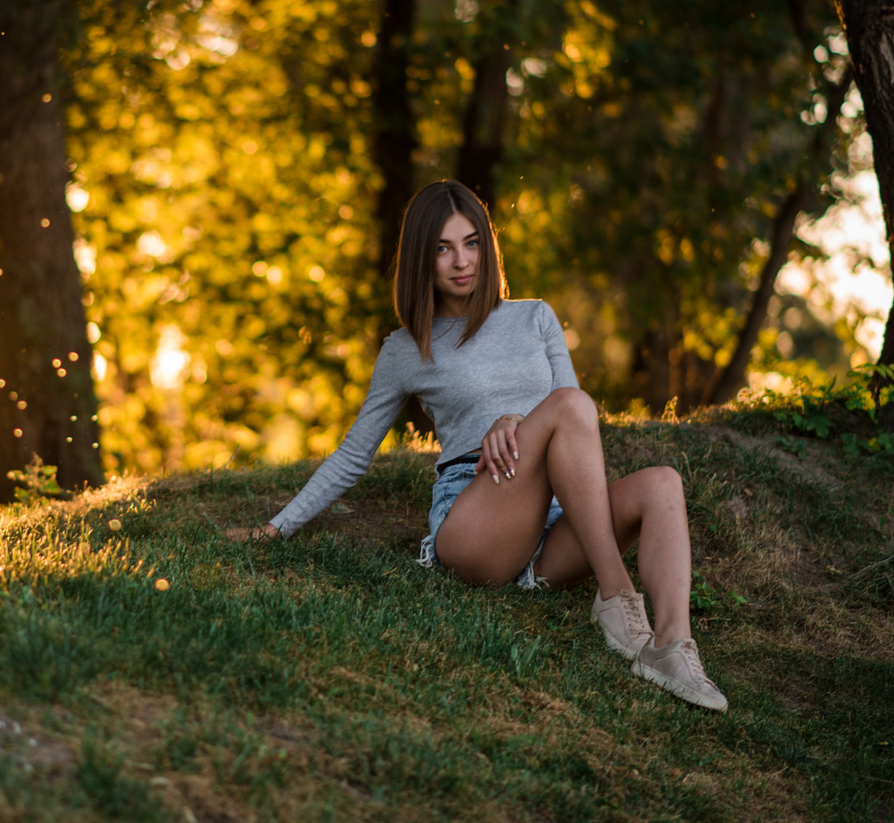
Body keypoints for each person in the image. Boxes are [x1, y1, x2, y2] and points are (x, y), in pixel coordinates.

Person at [226, 180, 728, 712]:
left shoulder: (534, 316)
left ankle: (671, 648)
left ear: (487, 247)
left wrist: (519, 420)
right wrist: (277, 527)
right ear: (421, 258)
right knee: (568, 406)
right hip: (476, 519)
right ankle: (617, 598)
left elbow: (577, 418)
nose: (461, 261)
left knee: (661, 483)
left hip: (556, 519)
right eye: (442, 248)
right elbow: (355, 454)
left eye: (471, 243)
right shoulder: (405, 348)